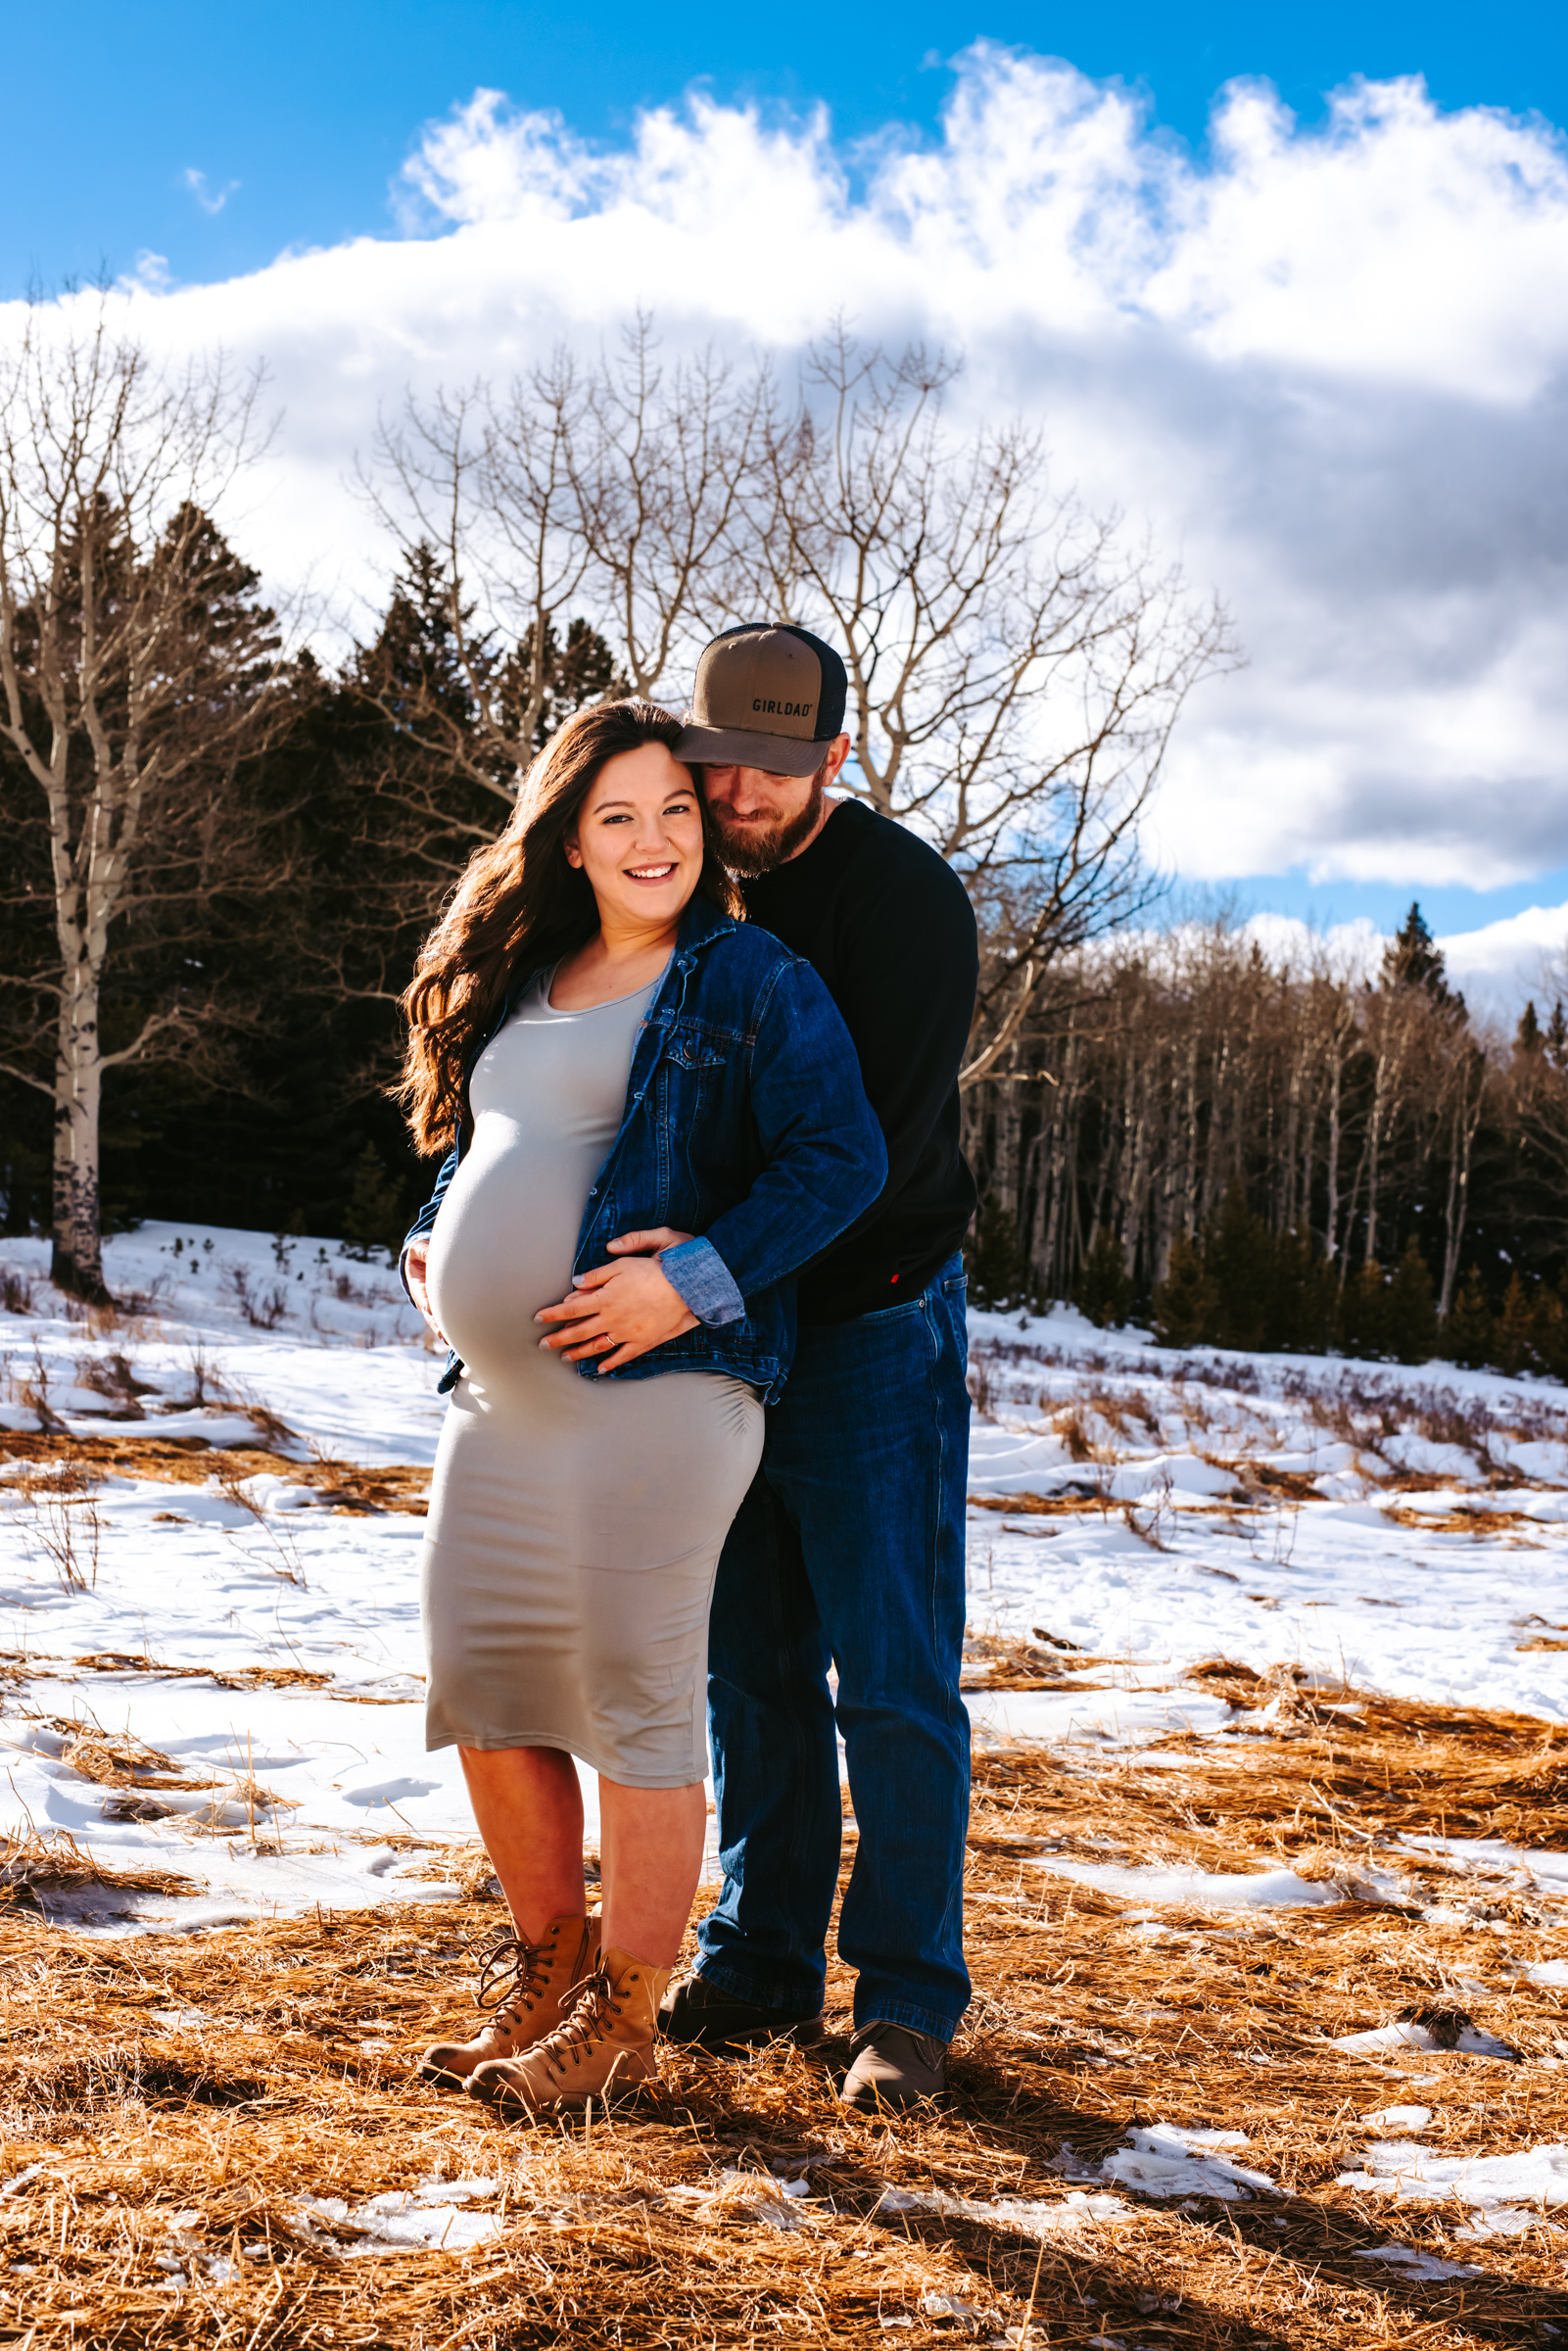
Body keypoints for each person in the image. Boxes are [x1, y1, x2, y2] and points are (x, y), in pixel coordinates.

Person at [397, 697, 885, 2115]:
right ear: (567, 835)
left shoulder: (745, 977)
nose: (654, 838)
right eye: (617, 814)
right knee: (489, 1685)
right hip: (497, 1395)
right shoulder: (535, 969)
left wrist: (697, 1282)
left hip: (658, 1391)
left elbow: (838, 1159)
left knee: (634, 1695)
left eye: (675, 810)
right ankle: (544, 1983)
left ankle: (623, 2020)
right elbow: (497, 1142)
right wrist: (432, 1243)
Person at [660, 622, 979, 2110]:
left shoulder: (901, 900)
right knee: (750, 1666)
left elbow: (868, 1159)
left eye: (775, 768)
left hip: (865, 1328)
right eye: (719, 759)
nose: (740, 790)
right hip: (719, 1336)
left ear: (832, 760)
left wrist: (692, 1270)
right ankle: (759, 1954)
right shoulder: (679, 871)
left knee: (891, 1675)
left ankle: (905, 2002)